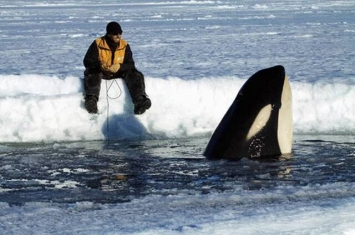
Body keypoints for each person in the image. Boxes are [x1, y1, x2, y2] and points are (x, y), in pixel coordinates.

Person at [83, 21, 151, 114]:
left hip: (118, 72)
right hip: (102, 72)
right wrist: (100, 65)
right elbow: (87, 61)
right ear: (109, 34)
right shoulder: (97, 43)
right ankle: (91, 100)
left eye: (120, 33)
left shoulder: (125, 45)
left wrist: (120, 66)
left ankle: (139, 100)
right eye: (115, 34)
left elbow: (130, 64)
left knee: (135, 73)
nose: (118, 36)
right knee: (91, 71)